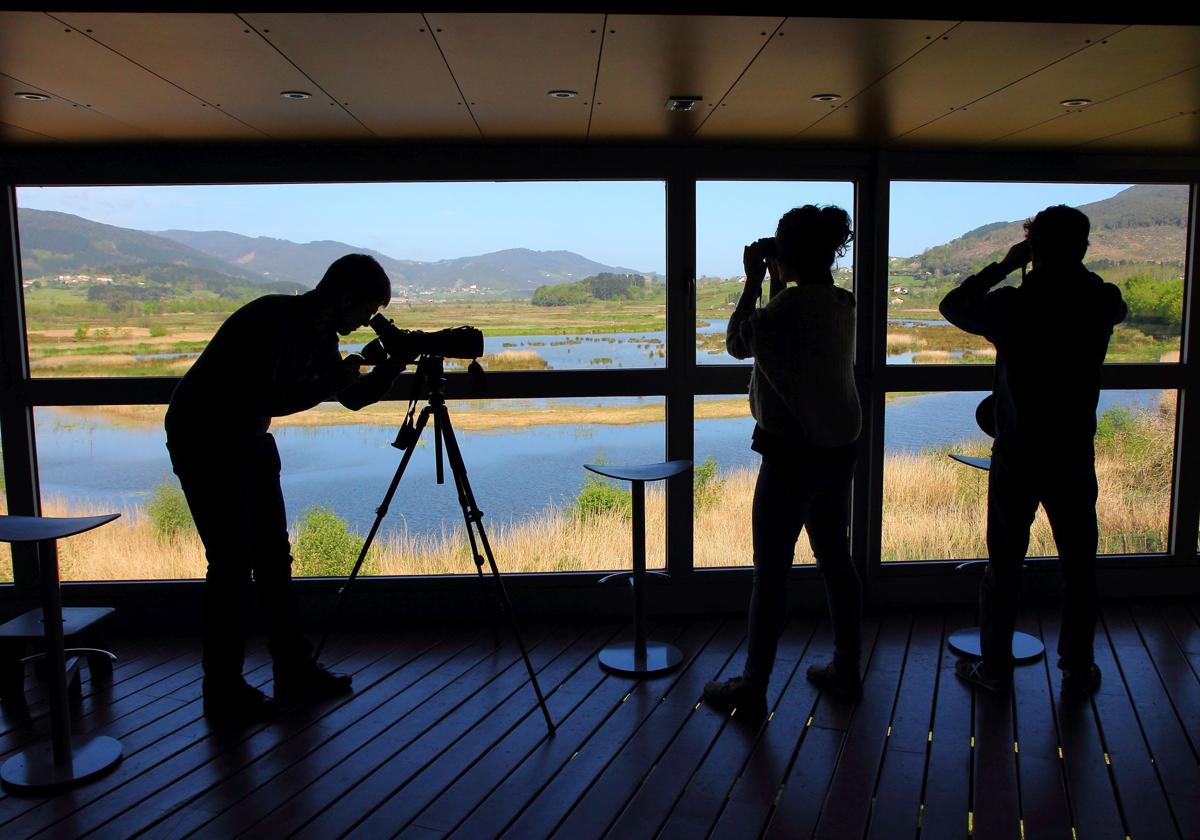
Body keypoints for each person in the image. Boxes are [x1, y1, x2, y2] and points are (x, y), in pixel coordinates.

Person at [166, 253, 408, 723]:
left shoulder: (316, 329)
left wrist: (391, 367)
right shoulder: (272, 320)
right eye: (365, 311)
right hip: (205, 440)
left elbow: (351, 397)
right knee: (232, 565)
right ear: (344, 298)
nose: (364, 323)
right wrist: (331, 383)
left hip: (247, 438)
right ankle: (223, 688)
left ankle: (291, 669)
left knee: (273, 558)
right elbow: (265, 396)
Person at [940, 205, 1127, 697]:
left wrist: (1006, 266)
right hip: (1071, 453)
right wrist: (1068, 267)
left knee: (1003, 566)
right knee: (1079, 565)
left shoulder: (1012, 306)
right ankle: (1078, 667)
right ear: (1083, 248)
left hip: (1018, 454)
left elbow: (953, 305)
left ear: (1032, 248)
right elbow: (1110, 302)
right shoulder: (1100, 300)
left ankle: (996, 668)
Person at [702, 205, 863, 718]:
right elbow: (785, 339)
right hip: (839, 450)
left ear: (787, 251)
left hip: (790, 456)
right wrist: (776, 278)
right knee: (836, 561)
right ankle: (847, 667)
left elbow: (736, 343)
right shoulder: (842, 303)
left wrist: (752, 280)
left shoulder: (782, 313)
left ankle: (754, 686)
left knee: (770, 573)